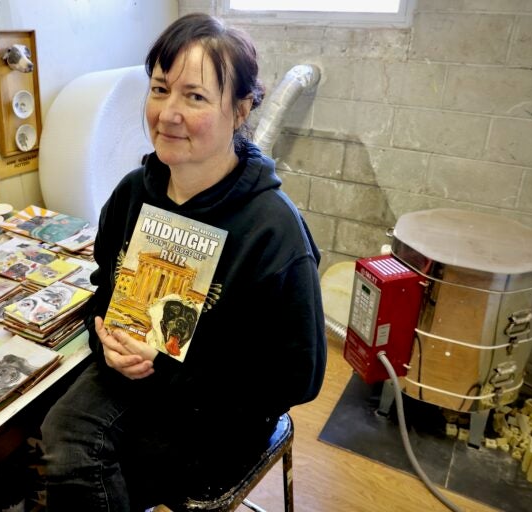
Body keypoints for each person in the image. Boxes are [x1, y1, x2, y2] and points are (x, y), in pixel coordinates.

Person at [40, 13, 327, 511]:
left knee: (97, 464)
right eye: (159, 89)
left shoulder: (272, 228)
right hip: (137, 376)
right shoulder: (133, 195)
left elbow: (298, 376)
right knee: (52, 434)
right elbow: (103, 293)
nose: (168, 113)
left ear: (239, 110)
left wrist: (177, 367)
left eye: (194, 96)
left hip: (222, 410)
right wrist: (104, 335)